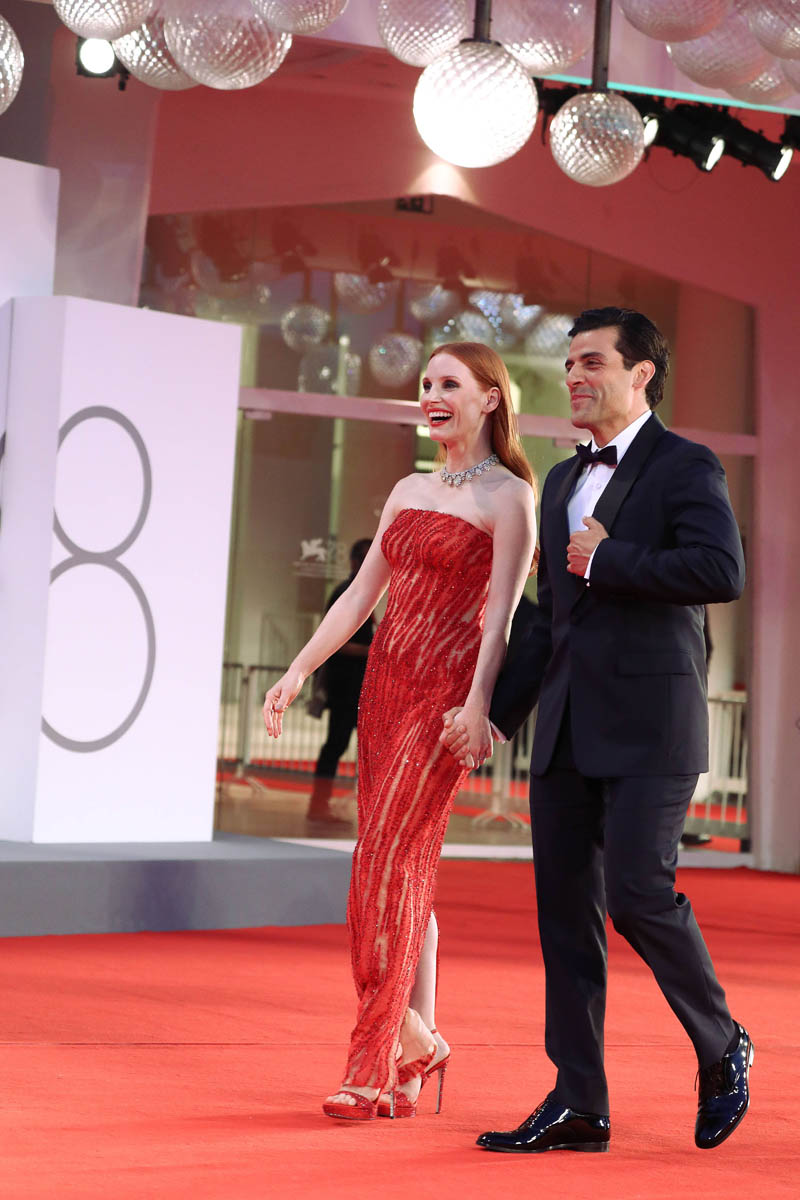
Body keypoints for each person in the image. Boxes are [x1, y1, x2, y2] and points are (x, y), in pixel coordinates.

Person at [442, 307, 751, 1154]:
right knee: (566, 921)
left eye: (591, 362)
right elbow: (550, 618)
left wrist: (610, 559)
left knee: (640, 894)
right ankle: (579, 1102)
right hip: (568, 730)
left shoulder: (686, 465)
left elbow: (720, 569)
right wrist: (490, 715)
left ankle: (722, 1043)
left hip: (653, 725)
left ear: (641, 373)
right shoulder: (560, 481)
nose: (573, 376)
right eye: (569, 363)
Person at [263, 342, 537, 1121]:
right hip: (383, 695)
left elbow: (501, 621)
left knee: (378, 867)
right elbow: (360, 597)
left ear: (490, 398)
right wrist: (299, 669)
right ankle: (419, 1046)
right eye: (426, 384)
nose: (432, 395)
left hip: (443, 705)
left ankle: (373, 1056)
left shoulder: (511, 497)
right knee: (402, 871)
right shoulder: (408, 488)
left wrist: (479, 706)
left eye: (450, 383)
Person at [306, 537, 374, 826]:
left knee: (342, 745)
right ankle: (319, 805)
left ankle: (324, 805)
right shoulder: (348, 593)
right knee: (336, 744)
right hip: (346, 686)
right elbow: (334, 640)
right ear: (356, 561)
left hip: (354, 686)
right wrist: (373, 650)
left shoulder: (358, 591)